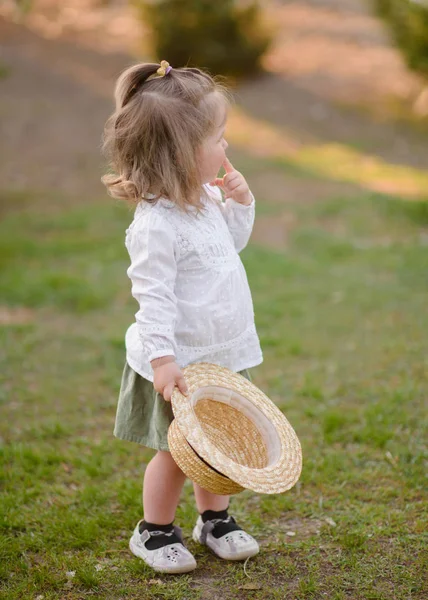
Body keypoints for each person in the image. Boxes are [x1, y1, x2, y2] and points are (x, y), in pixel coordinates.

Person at [102, 60, 263, 574]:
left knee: (219, 442)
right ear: (180, 153)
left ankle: (214, 519)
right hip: (179, 363)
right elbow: (153, 298)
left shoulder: (206, 198)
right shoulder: (156, 225)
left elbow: (231, 247)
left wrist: (239, 204)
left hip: (222, 353)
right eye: (218, 138)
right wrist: (164, 361)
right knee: (177, 451)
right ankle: (154, 530)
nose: (226, 148)